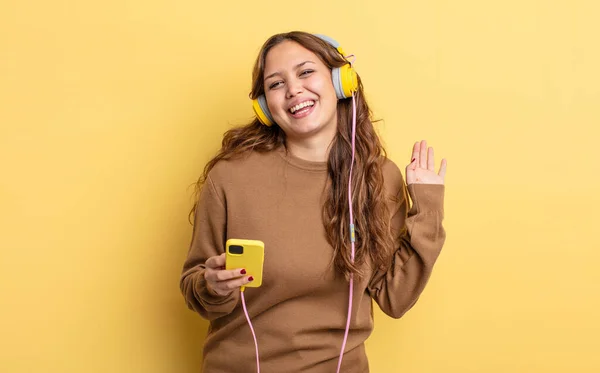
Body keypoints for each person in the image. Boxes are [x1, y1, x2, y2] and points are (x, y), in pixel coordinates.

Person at [180, 31, 447, 373]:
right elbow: (194, 284)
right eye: (276, 84)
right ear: (265, 107)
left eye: (305, 72)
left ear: (341, 81)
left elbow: (395, 298)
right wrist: (211, 284)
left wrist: (427, 208)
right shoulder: (230, 177)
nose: (293, 90)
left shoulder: (379, 178)